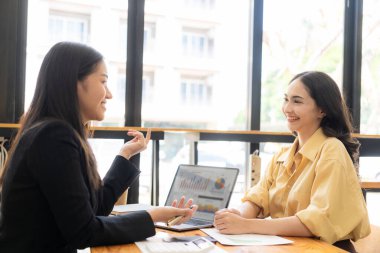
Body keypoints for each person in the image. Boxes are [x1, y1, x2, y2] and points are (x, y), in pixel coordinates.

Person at [0, 42, 196, 253]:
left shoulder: (53, 132)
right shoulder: (54, 136)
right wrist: (153, 217)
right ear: (74, 82)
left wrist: (125, 154)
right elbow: (84, 231)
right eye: (103, 81)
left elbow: (95, 210)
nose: (109, 94)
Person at [214, 71, 370, 248]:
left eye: (297, 101)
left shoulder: (332, 149)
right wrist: (238, 215)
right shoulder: (282, 155)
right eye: (286, 99)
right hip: (292, 246)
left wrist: (247, 225)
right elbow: (258, 198)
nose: (287, 108)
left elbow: (317, 220)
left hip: (326, 249)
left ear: (322, 110)